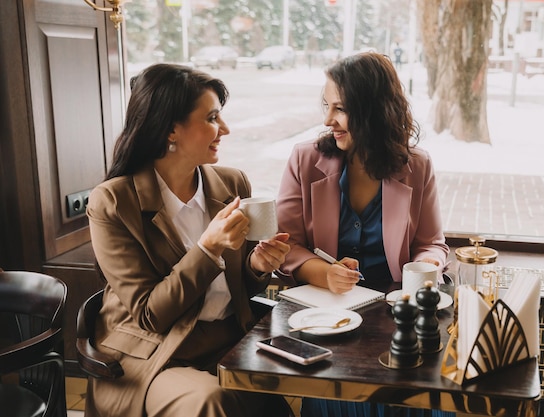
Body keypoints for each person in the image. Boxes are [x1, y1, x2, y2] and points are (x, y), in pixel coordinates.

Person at [85, 63, 291, 417]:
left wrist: (257, 267)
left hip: (230, 342)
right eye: (212, 118)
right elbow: (150, 315)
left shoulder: (232, 184)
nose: (224, 129)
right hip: (157, 354)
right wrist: (208, 249)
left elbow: (241, 291)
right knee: (210, 401)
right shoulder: (113, 203)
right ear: (170, 130)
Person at [275, 52, 451, 417]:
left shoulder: (417, 165)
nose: (328, 120)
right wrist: (324, 273)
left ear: (373, 110)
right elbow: (286, 243)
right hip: (325, 319)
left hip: (398, 316)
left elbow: (431, 243)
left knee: (422, 397)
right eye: (326, 106)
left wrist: (423, 272)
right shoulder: (304, 160)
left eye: (340, 108)